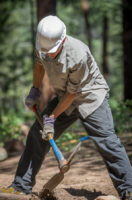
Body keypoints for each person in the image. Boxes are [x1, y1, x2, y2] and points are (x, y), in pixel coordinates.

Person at [0, 15, 132, 200]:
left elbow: (73, 94)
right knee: (37, 134)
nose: (49, 53)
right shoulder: (43, 44)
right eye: (46, 50)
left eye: (53, 50)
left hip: (90, 97)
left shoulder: (78, 54)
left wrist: (51, 118)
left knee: (107, 141)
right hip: (65, 96)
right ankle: (21, 186)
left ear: (63, 39)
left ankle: (128, 190)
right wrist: (35, 92)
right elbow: (39, 65)